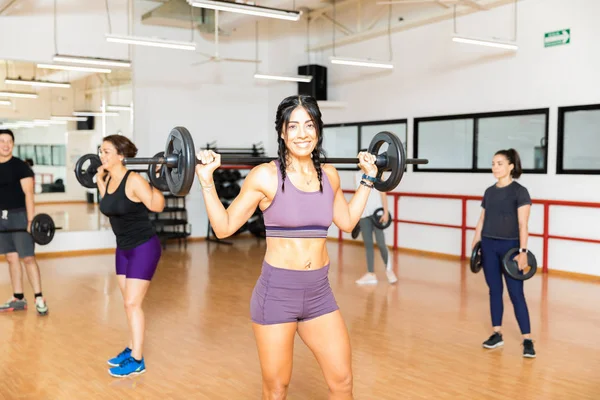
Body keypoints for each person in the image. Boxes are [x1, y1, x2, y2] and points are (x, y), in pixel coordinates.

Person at [195, 95, 378, 399]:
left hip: (319, 293)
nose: (302, 134)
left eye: (309, 125)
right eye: (293, 126)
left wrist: (367, 180)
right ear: (281, 132)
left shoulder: (329, 175)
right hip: (277, 294)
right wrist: (206, 181)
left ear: (318, 130)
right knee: (277, 389)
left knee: (342, 382)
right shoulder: (266, 176)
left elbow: (346, 222)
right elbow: (223, 227)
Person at [96, 134, 165, 377]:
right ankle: (132, 347)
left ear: (121, 156)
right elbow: (108, 206)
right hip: (123, 248)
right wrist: (99, 181)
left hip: (143, 247)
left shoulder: (134, 180)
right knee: (128, 304)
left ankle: (137, 360)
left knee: (132, 303)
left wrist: (158, 181)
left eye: (106, 152)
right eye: (101, 151)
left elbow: (157, 206)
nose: (101, 155)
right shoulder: (108, 180)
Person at [471, 148, 536, 358]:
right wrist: (475, 246)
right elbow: (481, 220)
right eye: (493, 163)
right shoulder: (489, 192)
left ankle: (527, 339)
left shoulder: (520, 191)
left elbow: (523, 223)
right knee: (494, 290)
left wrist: (523, 252)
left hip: (511, 249)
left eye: (499, 163)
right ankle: (497, 333)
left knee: (516, 294)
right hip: (489, 245)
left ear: (511, 166)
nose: (495, 167)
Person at [0, 129, 49, 316]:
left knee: (27, 257)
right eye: (2, 141)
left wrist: (30, 220)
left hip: (19, 216)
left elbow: (29, 194)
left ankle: (39, 297)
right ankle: (18, 298)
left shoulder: (21, 167)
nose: (5, 144)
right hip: (1, 217)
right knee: (11, 258)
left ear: (13, 144)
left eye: (8, 141)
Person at [353, 166, 397, 285]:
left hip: (377, 213)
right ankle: (370, 274)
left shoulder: (378, 173)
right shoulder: (357, 175)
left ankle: (389, 270)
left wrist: (386, 211)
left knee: (381, 243)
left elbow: (383, 193)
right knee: (368, 245)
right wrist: (356, 215)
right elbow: (358, 196)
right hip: (363, 215)